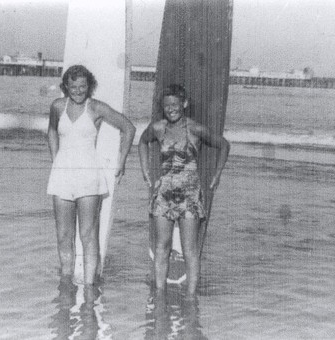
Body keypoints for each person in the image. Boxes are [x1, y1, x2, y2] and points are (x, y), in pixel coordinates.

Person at [47, 65, 136, 286]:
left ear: (89, 86)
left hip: (89, 176)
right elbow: (51, 131)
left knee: (88, 235)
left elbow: (128, 127)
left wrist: (121, 160)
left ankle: (89, 287)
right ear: (66, 86)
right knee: (63, 235)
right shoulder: (58, 106)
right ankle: (66, 283)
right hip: (62, 176)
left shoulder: (96, 108)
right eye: (73, 86)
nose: (78, 91)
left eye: (83, 86)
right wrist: (56, 159)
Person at [138, 84, 229, 298]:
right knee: (162, 246)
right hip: (164, 193)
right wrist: (145, 171)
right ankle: (160, 292)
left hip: (189, 194)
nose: (171, 109)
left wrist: (217, 176)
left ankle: (190, 295)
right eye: (167, 105)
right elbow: (142, 142)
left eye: (175, 105)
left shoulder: (195, 129)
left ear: (184, 104)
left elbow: (224, 145)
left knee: (190, 249)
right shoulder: (158, 128)